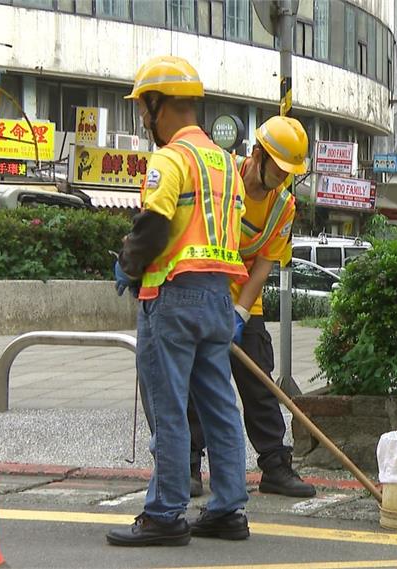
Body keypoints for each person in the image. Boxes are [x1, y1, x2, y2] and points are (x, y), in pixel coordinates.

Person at [107, 55, 251, 546]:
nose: (144, 121)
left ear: (157, 105)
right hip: (216, 300)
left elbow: (154, 224)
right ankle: (229, 508)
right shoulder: (227, 163)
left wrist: (127, 266)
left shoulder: (169, 159)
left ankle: (165, 513)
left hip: (171, 297)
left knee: (169, 410)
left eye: (143, 110)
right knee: (219, 408)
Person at [188, 116, 315, 499]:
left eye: (290, 172)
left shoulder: (283, 207)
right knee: (194, 382)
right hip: (204, 290)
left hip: (244, 301)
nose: (283, 178)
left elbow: (263, 265)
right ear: (258, 154)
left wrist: (240, 314)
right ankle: (189, 467)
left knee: (258, 382)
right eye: (279, 169)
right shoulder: (223, 178)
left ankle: (275, 466)